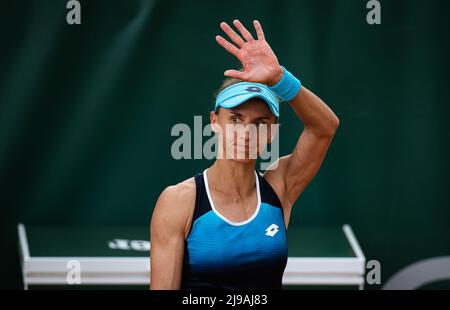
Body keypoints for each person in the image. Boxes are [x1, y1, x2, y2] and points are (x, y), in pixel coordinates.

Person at [150, 19, 339, 289]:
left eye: (260, 123)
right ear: (214, 121)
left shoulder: (279, 186)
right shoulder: (179, 201)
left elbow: (325, 127)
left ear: (272, 131)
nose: (246, 133)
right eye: (236, 120)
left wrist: (279, 79)